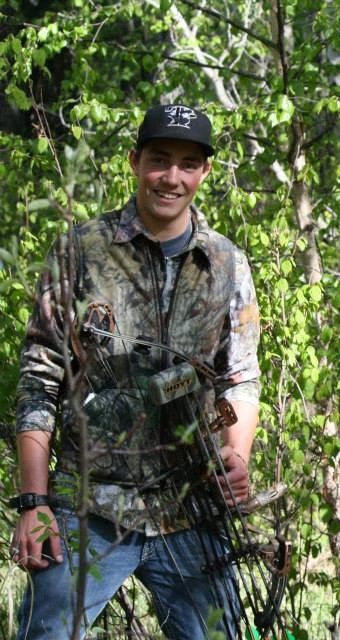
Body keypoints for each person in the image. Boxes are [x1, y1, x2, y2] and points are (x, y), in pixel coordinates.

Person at [10, 104, 261, 639]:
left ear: (204, 173)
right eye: (159, 160)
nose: (172, 177)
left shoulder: (225, 263)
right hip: (90, 504)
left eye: (188, 163)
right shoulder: (81, 251)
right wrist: (33, 503)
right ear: (135, 162)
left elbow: (239, 376)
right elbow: (39, 379)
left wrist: (235, 458)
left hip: (191, 506)